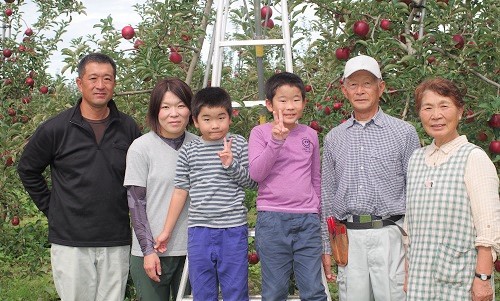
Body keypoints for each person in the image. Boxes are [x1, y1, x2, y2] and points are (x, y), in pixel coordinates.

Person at [17, 52, 141, 301]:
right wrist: (52, 208)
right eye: (93, 78)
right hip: (70, 241)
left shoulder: (128, 128)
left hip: (115, 238)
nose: (100, 85)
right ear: (79, 83)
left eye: (107, 79)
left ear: (114, 84)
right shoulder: (56, 128)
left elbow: (139, 178)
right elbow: (28, 169)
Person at [320, 54, 421, 300]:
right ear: (344, 90)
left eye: (367, 83)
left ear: (381, 87)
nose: (360, 90)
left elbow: (416, 191)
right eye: (353, 84)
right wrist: (326, 246)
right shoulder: (334, 138)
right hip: (349, 236)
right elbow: (327, 194)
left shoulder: (404, 132)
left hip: (391, 233)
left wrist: (416, 243)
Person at [154, 86, 257, 301]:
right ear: (195, 120)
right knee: (202, 289)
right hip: (199, 230)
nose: (215, 125)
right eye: (207, 119)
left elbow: (252, 182)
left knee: (235, 289)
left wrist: (231, 165)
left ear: (230, 117)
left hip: (233, 229)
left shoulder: (238, 143)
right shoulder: (189, 151)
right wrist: (166, 230)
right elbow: (181, 190)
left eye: (221, 117)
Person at [405, 78, 500, 301]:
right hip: (421, 279)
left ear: (460, 111)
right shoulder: (417, 159)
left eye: (444, 105)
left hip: (461, 281)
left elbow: (488, 227)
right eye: (427, 108)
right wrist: (408, 273)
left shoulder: (473, 157)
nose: (435, 115)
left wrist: (483, 279)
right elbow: (410, 228)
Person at [248, 72, 327, 301]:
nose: (290, 106)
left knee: (313, 290)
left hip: (306, 220)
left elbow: (315, 177)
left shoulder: (310, 135)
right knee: (274, 291)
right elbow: (257, 173)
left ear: (303, 102)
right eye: (283, 100)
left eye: (296, 99)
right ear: (269, 104)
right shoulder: (260, 133)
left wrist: (316, 210)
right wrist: (276, 141)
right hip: (272, 220)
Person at [124, 78, 197, 300]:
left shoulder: (200, 146)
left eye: (180, 106)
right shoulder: (141, 148)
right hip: (153, 252)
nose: (173, 113)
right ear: (156, 111)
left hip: (192, 250)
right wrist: (148, 250)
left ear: (190, 110)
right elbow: (136, 203)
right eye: (165, 107)